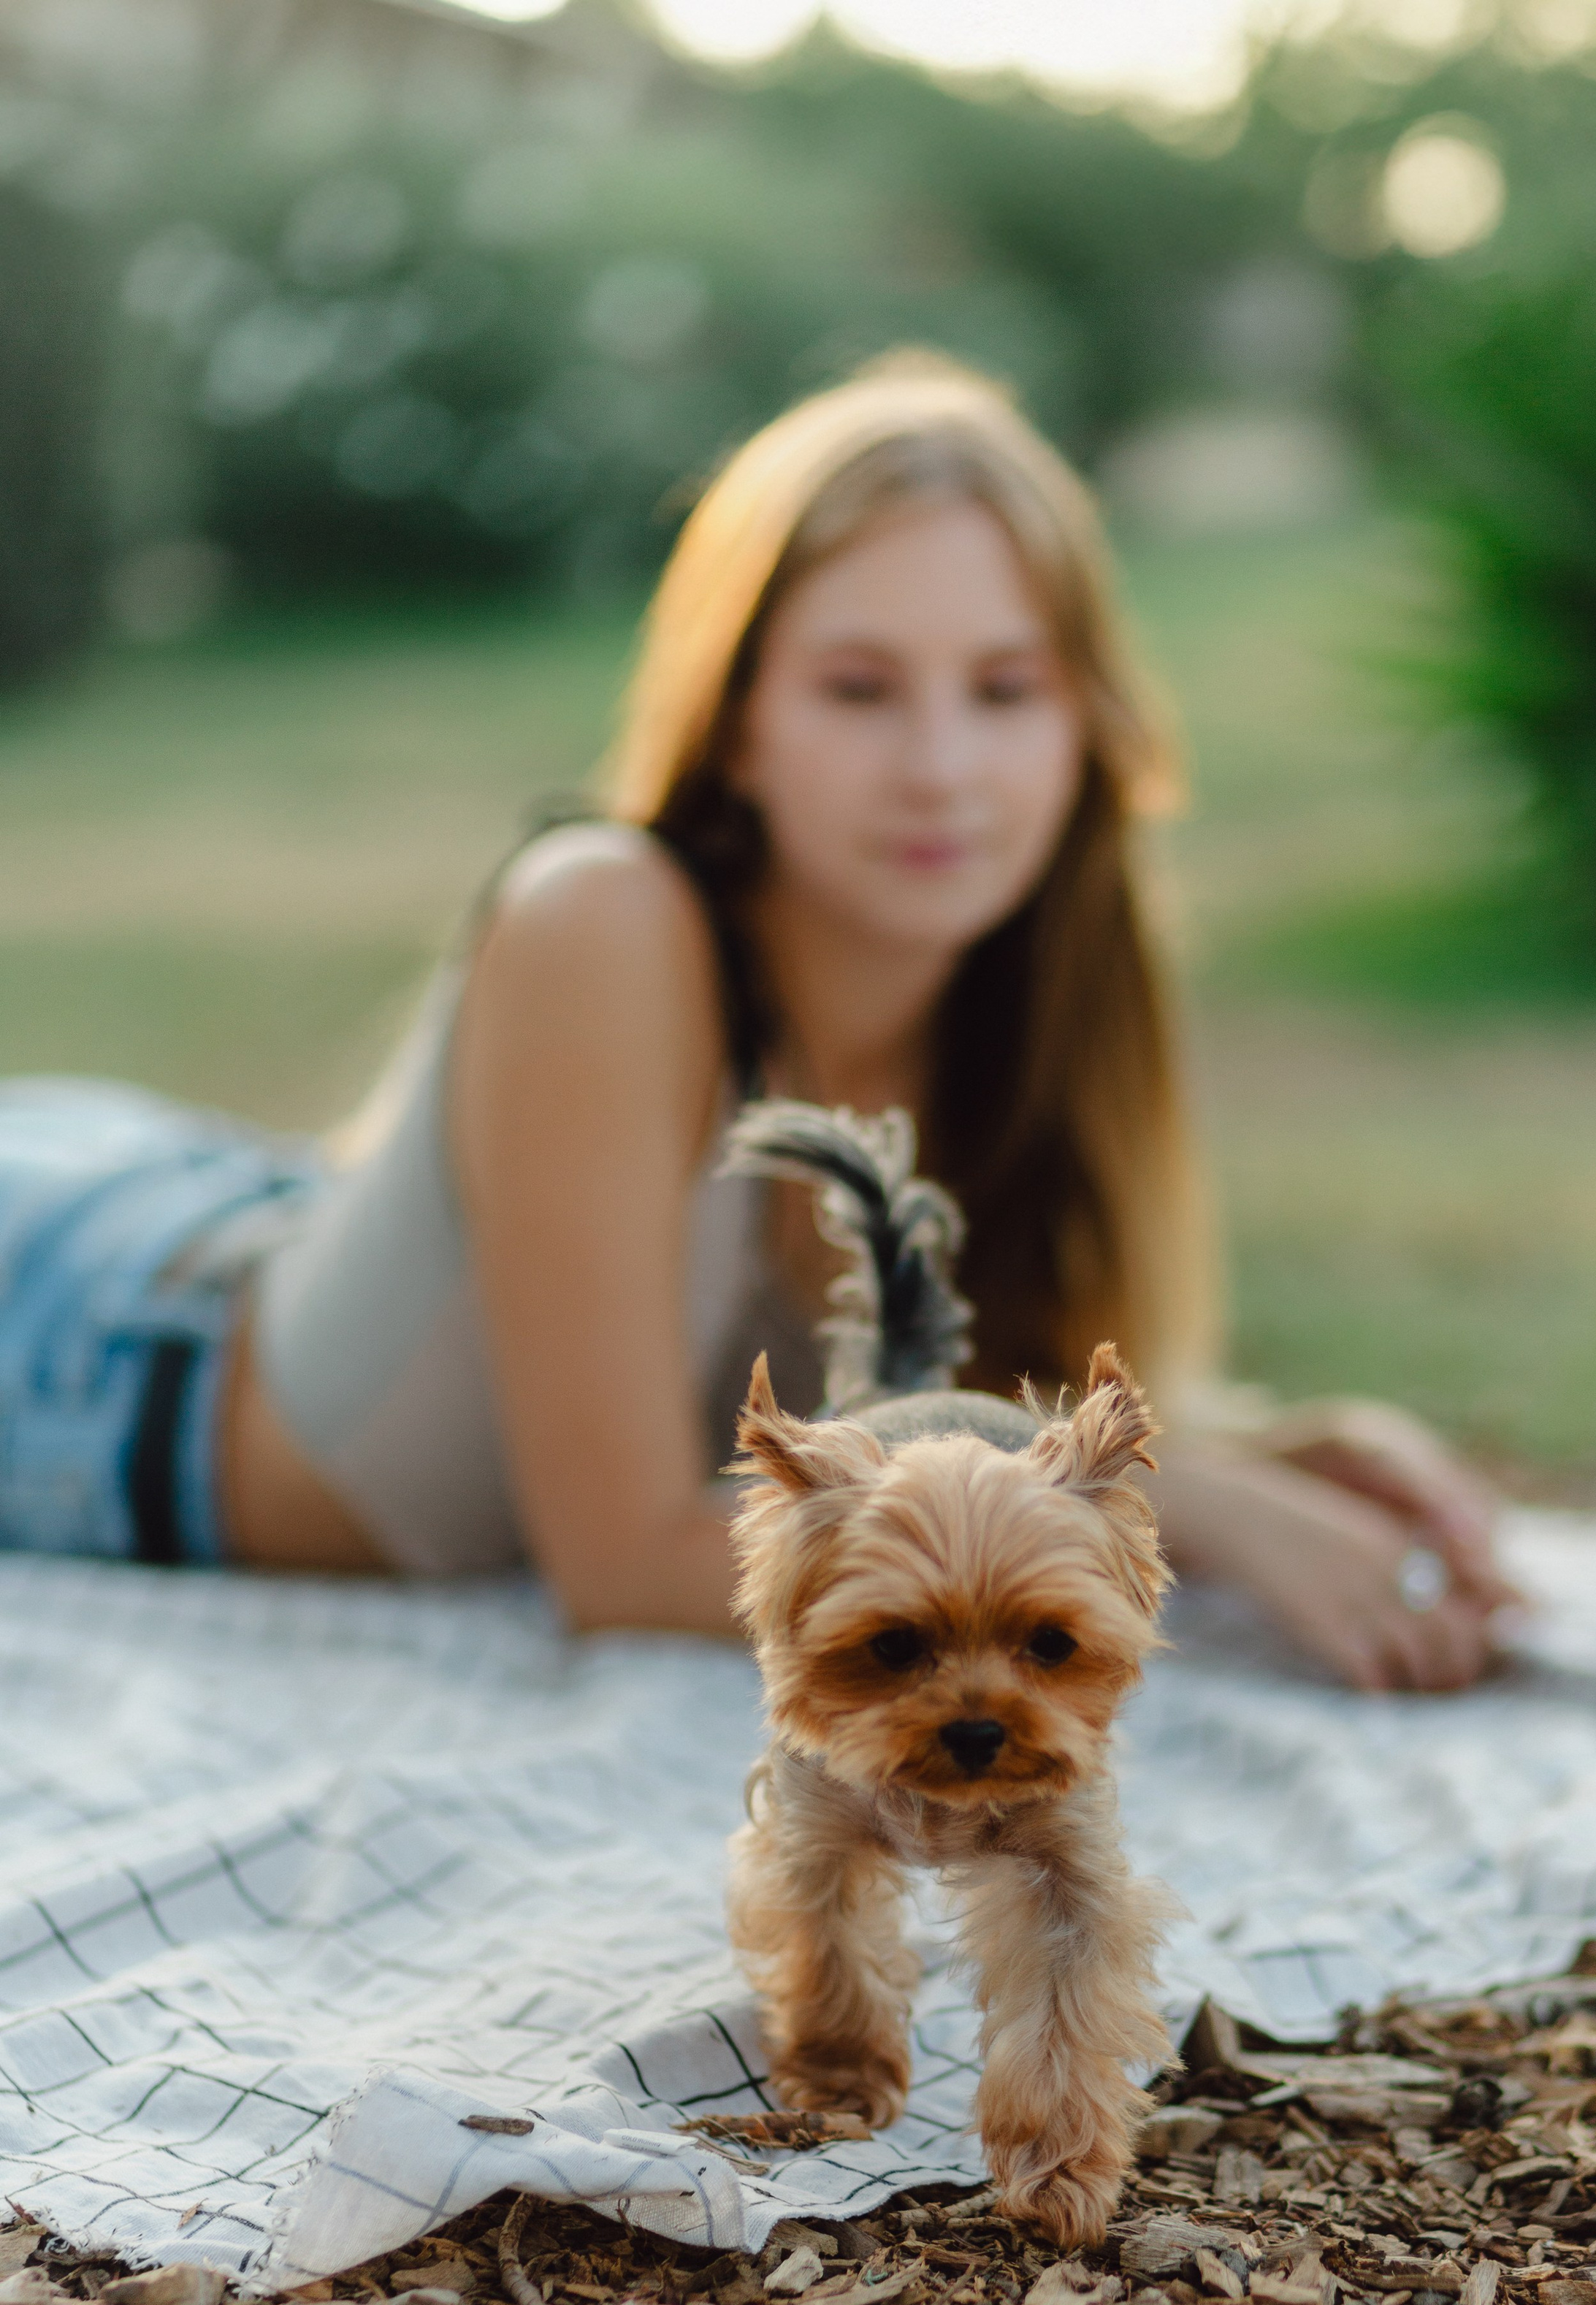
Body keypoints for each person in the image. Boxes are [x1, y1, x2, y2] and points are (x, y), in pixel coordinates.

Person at [0, 354, 1516, 1693]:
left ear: (1086, 724)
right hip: (79, 1336)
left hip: (238, 1212)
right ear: (737, 718)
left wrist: (1239, 1455)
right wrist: (1188, 1511)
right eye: (859, 689)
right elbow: (624, 1563)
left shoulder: (1022, 1008)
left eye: (1003, 689)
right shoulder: (604, 917)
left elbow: (961, 1410)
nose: (940, 767)